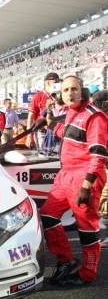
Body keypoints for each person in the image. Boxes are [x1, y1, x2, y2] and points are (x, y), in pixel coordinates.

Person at [40, 76, 108, 286]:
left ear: (83, 91)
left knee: (87, 225)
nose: (70, 93)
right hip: (65, 175)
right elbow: (66, 132)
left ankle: (88, 272)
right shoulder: (70, 112)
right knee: (48, 215)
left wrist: (87, 185)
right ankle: (66, 259)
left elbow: (99, 154)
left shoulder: (94, 116)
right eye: (66, 90)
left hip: (84, 175)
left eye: (74, 89)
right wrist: (49, 123)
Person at [25, 72, 61, 149]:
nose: (58, 84)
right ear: (48, 82)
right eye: (55, 82)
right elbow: (30, 116)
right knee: (44, 157)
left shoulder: (60, 95)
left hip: (57, 130)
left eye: (58, 82)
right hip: (42, 132)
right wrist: (29, 135)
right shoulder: (38, 96)